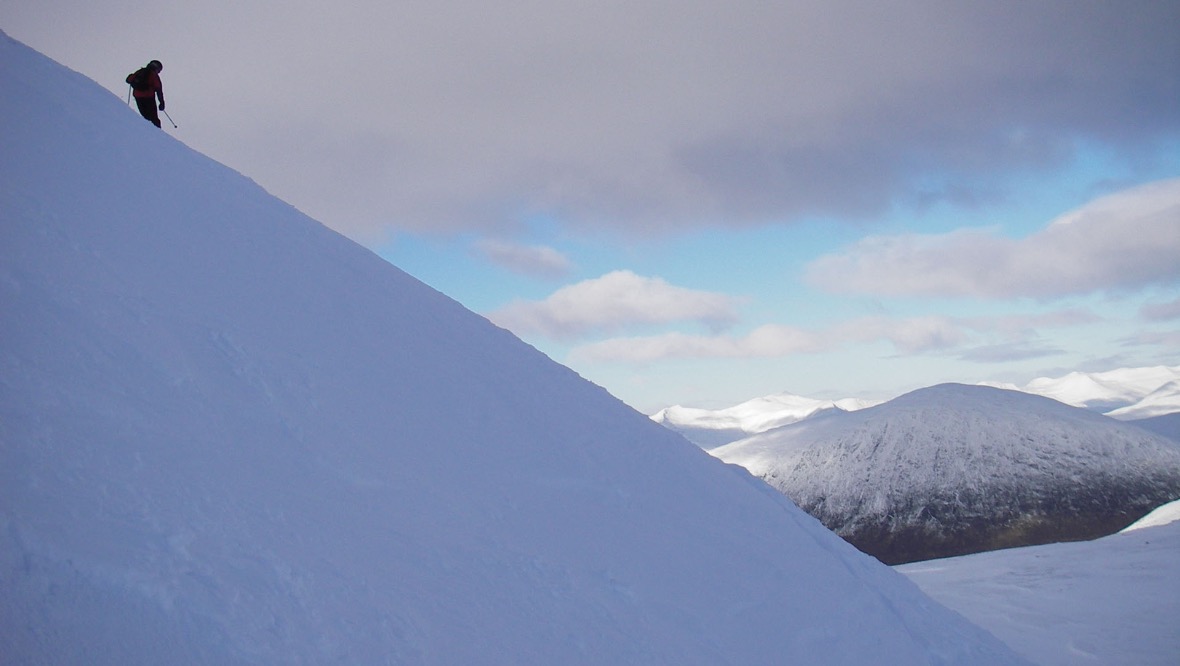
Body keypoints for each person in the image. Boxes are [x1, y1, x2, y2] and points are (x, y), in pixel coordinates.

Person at [126, 60, 165, 128]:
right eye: (159, 70)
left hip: (138, 97)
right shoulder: (153, 75)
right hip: (149, 97)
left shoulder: (140, 71)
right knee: (154, 118)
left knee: (145, 116)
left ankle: (146, 130)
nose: (158, 72)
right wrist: (161, 102)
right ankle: (158, 134)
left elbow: (128, 80)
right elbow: (159, 89)